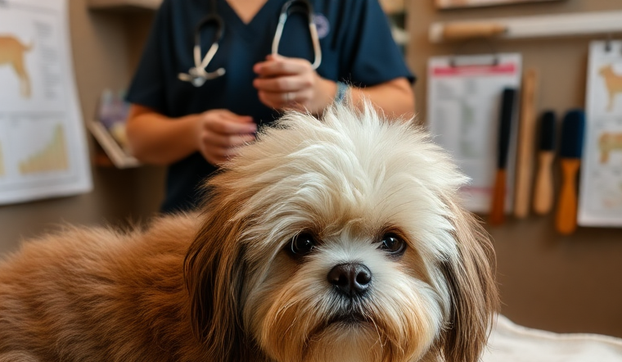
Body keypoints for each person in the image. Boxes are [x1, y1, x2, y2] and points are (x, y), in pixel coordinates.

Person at [125, 0, 415, 214]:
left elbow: (402, 106)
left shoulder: (348, 5)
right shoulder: (179, 9)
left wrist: (328, 94)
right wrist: (195, 132)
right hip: (198, 223)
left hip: (315, 226)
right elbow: (138, 138)